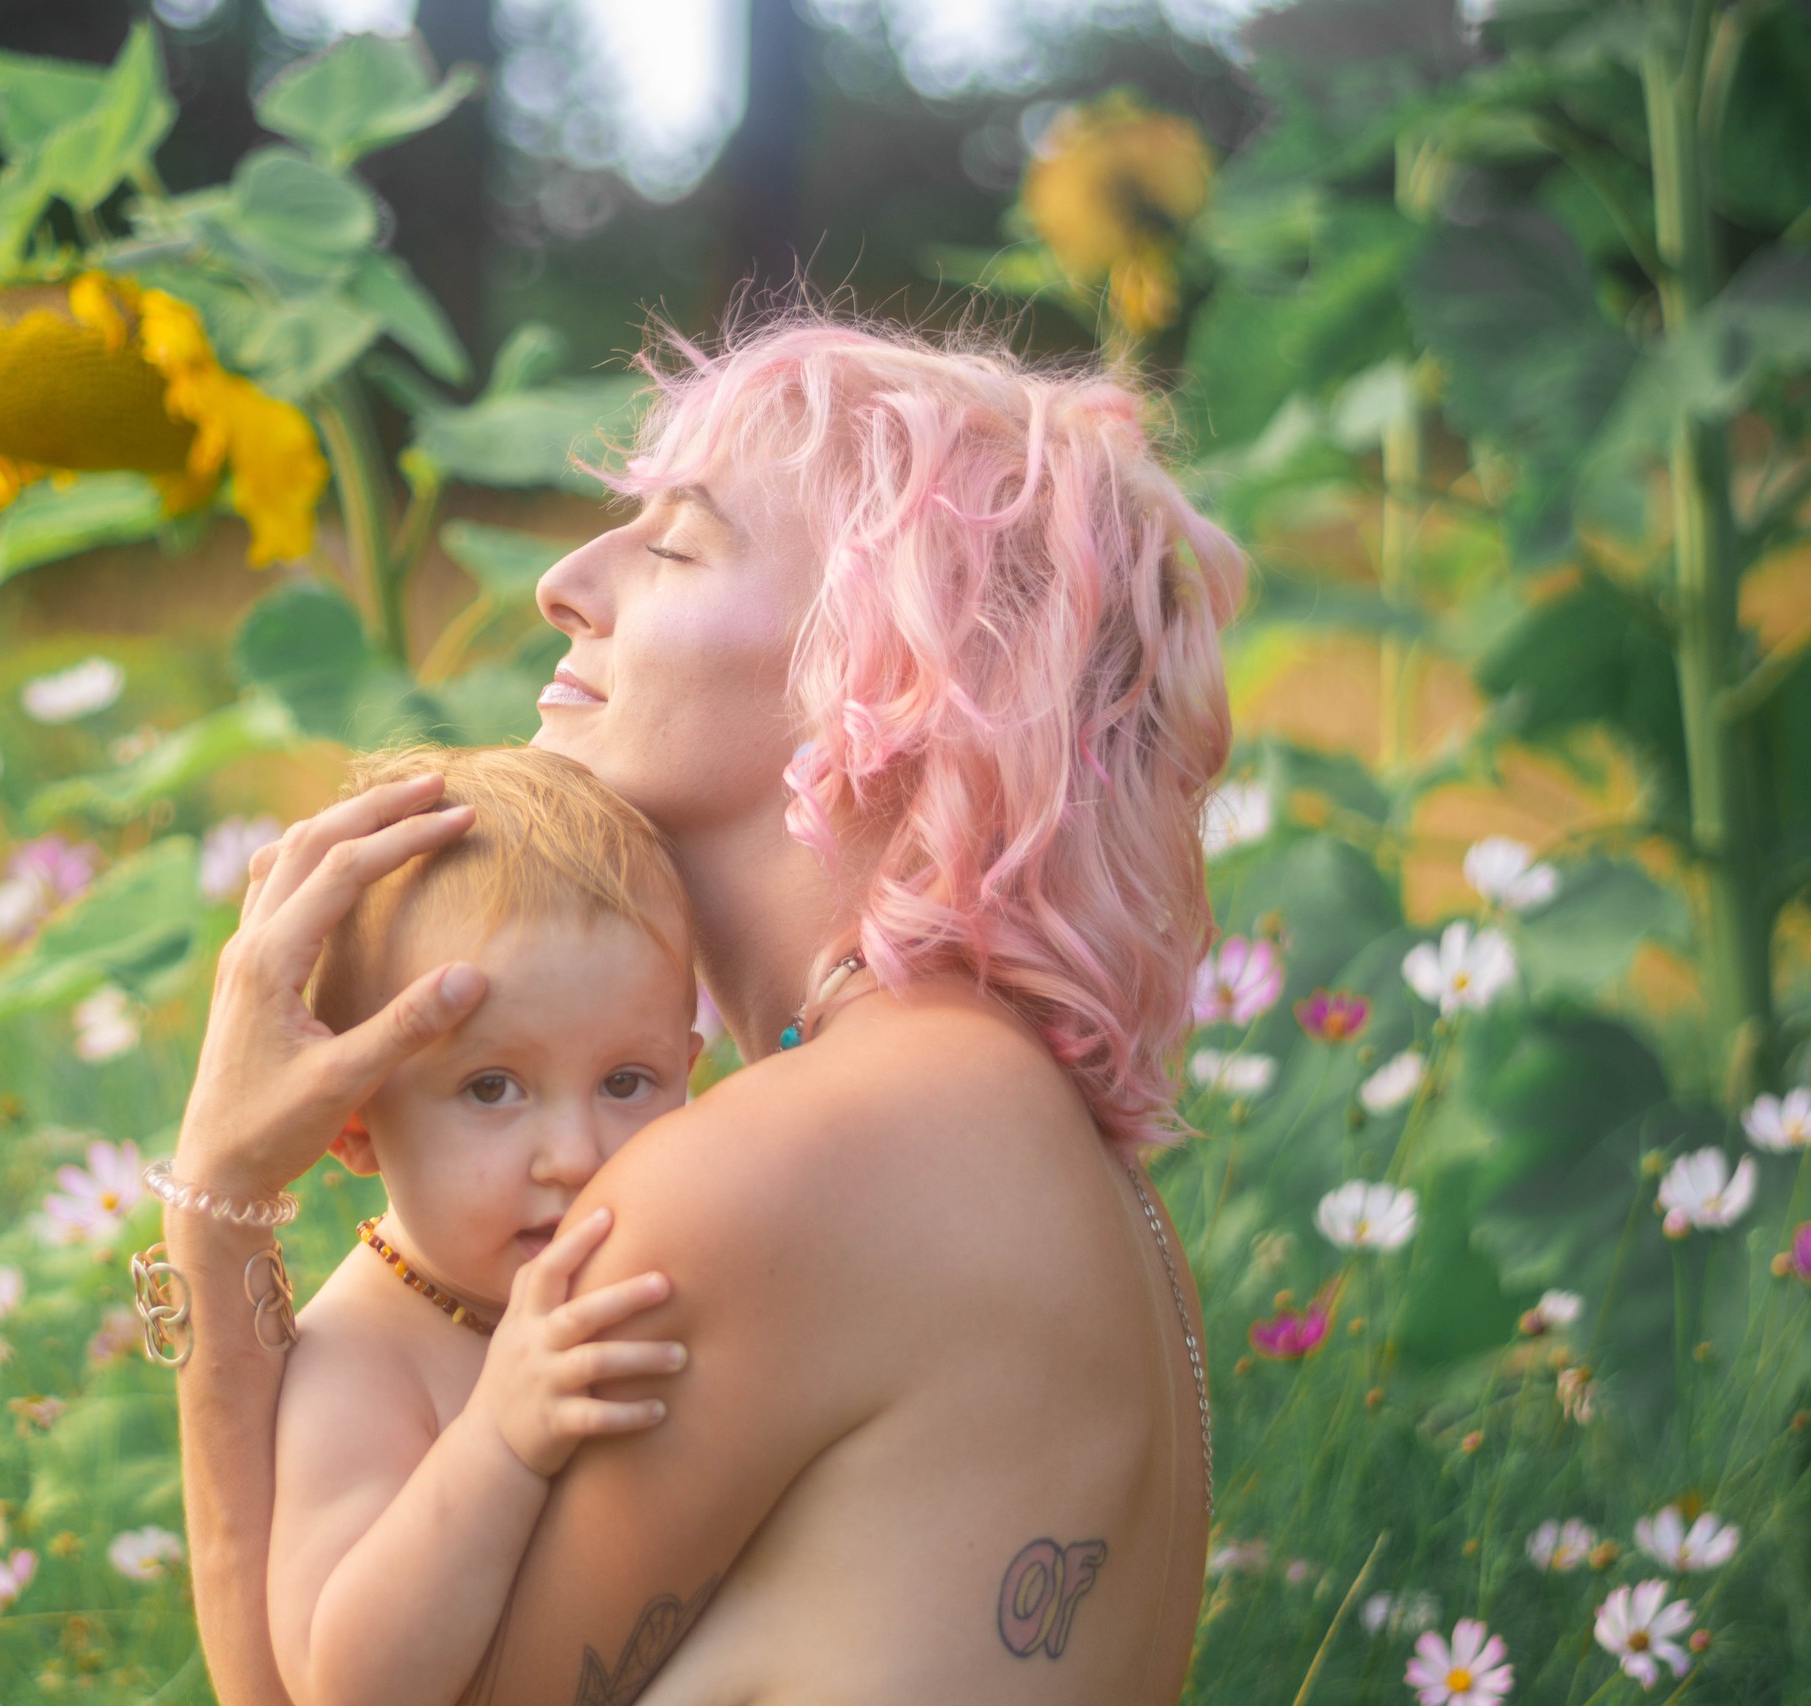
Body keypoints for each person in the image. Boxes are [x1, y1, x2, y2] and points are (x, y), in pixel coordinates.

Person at [143, 315, 1243, 1703]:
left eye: (671, 544)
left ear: (889, 666)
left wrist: (219, 1199)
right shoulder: (1026, 1129)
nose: (560, 582)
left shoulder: (799, 1160)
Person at [264, 745, 703, 1706]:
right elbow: (347, 1684)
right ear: (353, 1121)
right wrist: (497, 1441)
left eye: (628, 1082)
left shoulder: (676, 1259)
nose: (578, 1155)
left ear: (691, 1068)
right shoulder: (363, 1359)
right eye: (492, 1088)